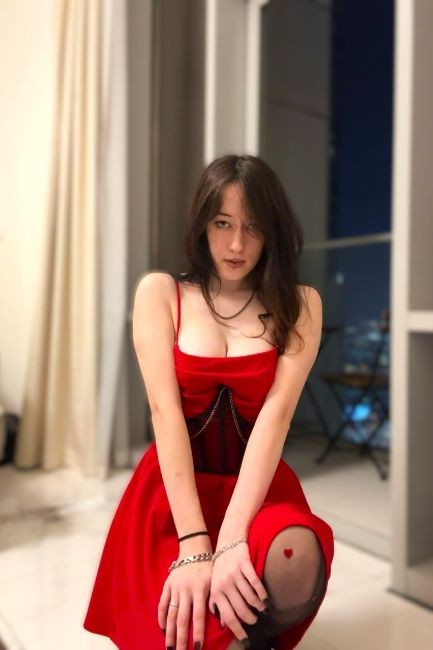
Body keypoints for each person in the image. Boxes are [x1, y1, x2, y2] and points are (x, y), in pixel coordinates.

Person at [83, 154, 334, 649]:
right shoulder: (161, 293)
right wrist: (196, 545)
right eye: (222, 223)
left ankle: (251, 631)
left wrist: (234, 538)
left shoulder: (300, 303)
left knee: (295, 558)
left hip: (255, 491)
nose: (237, 244)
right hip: (176, 494)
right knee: (182, 629)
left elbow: (277, 416)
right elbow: (165, 413)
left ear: (272, 232)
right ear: (202, 224)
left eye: (253, 227)